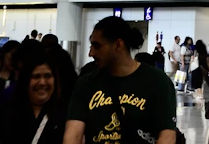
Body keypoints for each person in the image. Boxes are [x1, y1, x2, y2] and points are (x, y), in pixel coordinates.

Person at [64, 16, 177, 144]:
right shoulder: (86, 83)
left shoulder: (158, 81)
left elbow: (167, 136)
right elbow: (73, 135)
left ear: (118, 45)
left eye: (97, 46)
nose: (91, 53)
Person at [0, 46, 66, 144]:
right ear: (25, 80)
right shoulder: (3, 114)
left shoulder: (65, 114)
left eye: (47, 76)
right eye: (36, 76)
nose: (42, 82)